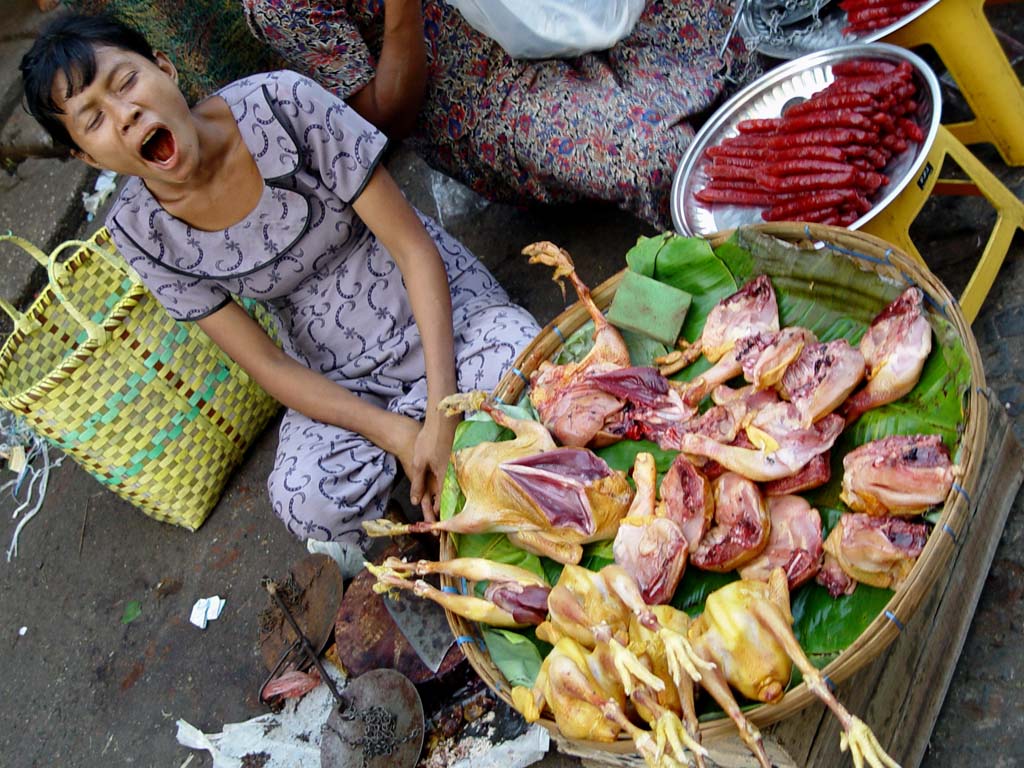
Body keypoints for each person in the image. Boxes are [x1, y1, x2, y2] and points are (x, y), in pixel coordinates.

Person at [20, 13, 541, 571]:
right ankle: (433, 497)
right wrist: (395, 432)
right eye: (93, 119)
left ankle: (456, 464)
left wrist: (440, 415)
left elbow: (413, 250)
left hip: (436, 316)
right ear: (88, 157)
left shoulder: (283, 104)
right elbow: (267, 363)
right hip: (338, 376)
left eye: (126, 83)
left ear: (165, 69)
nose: (126, 116)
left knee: (522, 358)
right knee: (303, 498)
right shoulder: (139, 230)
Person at [241, 0, 765, 229]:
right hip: (486, 97)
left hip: (558, 21)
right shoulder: (279, 6)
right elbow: (386, 120)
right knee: (664, 161)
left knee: (750, 30)